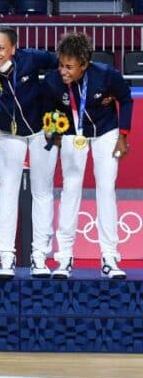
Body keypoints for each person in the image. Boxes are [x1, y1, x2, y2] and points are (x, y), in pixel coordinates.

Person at [0, 26, 58, 280]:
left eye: (0, 48)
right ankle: (6, 255)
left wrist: (51, 98)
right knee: (7, 192)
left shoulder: (31, 58)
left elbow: (62, 65)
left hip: (43, 130)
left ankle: (40, 255)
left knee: (43, 190)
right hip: (8, 135)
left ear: (13, 48)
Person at [42, 32, 131, 279]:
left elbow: (125, 100)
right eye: (61, 64)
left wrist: (123, 135)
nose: (63, 71)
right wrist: (53, 132)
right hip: (72, 132)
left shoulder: (106, 75)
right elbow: (49, 110)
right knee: (71, 190)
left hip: (105, 131)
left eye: (69, 67)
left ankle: (110, 256)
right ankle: (64, 257)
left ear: (84, 64)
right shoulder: (52, 81)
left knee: (106, 188)